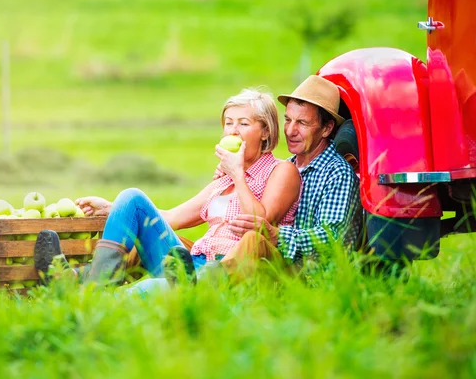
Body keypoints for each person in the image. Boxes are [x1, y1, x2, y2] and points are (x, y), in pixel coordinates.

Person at [33, 87, 301, 286]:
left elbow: (259, 221)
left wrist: (238, 174)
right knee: (132, 198)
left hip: (226, 272)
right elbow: (172, 218)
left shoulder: (281, 170)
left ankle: (88, 287)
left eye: (243, 124)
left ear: (265, 131)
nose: (233, 131)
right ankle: (80, 282)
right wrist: (116, 210)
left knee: (150, 289)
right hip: (192, 263)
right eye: (228, 123)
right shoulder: (223, 180)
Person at [207, 75, 361, 281]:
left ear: (327, 128)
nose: (290, 130)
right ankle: (188, 277)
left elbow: (333, 239)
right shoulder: (284, 166)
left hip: (310, 279)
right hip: (276, 267)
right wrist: (227, 181)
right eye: (288, 119)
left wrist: (277, 236)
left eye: (302, 123)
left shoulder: (337, 173)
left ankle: (199, 283)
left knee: (253, 241)